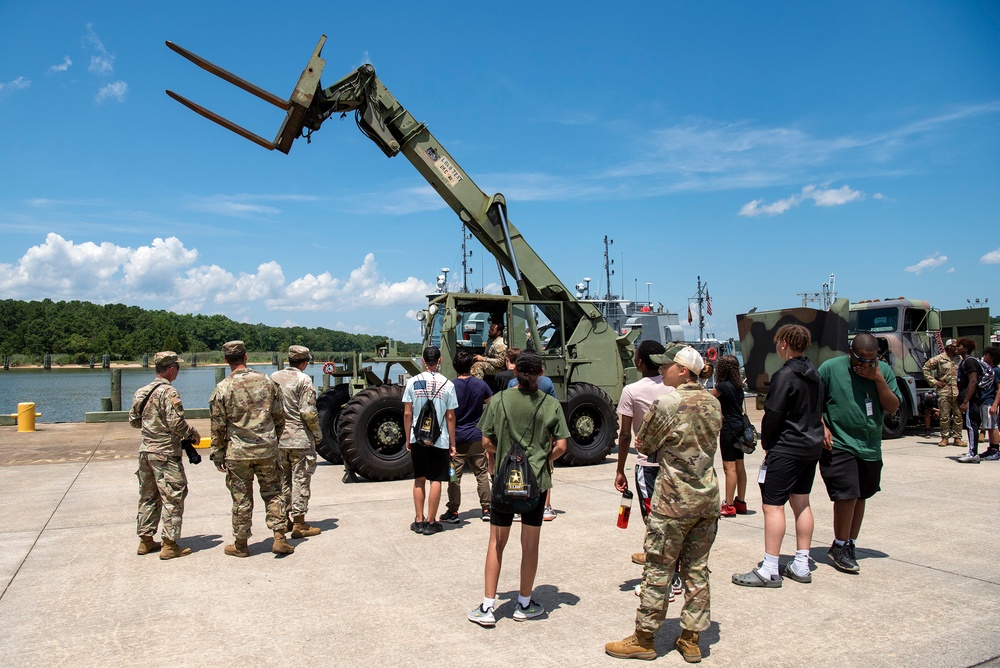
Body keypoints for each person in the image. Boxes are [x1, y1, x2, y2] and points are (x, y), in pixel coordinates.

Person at [605, 345, 720, 663]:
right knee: (697, 569)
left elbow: (646, 443)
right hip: (706, 497)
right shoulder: (712, 402)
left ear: (682, 370)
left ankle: (644, 639)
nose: (663, 370)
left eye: (668, 366)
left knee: (658, 568)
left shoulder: (666, 402)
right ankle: (691, 639)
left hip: (673, 500)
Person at [468, 351, 568, 627]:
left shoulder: (499, 400)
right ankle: (524, 603)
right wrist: (538, 460)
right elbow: (561, 446)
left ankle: (488, 607)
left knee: (496, 543)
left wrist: (505, 457)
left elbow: (486, 441)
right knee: (530, 545)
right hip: (535, 484)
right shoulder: (550, 404)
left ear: (515, 372)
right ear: (540, 374)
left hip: (503, 481)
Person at [732, 325, 824, 588]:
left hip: (787, 447)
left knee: (773, 506)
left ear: (784, 343)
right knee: (802, 502)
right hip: (810, 446)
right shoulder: (814, 373)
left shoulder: (784, 375)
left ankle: (770, 567)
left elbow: (773, 414)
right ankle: (802, 563)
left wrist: (768, 443)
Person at [818, 332, 901, 573]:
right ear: (850, 352)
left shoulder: (882, 371)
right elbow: (814, 402)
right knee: (847, 495)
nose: (866, 364)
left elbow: (893, 406)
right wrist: (821, 426)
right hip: (840, 443)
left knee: (862, 495)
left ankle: (849, 543)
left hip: (870, 444)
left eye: (871, 360)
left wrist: (878, 379)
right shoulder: (830, 368)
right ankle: (840, 544)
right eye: (861, 359)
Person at [614, 340, 683, 604]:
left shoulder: (631, 390)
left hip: (647, 465)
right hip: (674, 464)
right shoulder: (673, 387)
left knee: (654, 523)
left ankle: (665, 578)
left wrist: (620, 469)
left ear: (640, 361)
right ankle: (675, 572)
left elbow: (623, 435)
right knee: (673, 520)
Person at [209, 340, 290, 557]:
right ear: (246, 357)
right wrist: (275, 440)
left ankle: (241, 544)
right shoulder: (267, 381)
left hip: (238, 452)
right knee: (273, 492)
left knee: (241, 497)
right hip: (266, 449)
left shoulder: (223, 388)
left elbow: (217, 426)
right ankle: (280, 537)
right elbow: (279, 416)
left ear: (226, 360)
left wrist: (218, 454)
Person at [129, 351, 201, 560]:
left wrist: (152, 426)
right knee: (174, 496)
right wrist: (193, 434)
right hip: (165, 454)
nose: (178, 371)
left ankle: (145, 539)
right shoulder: (169, 392)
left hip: (146, 452)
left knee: (148, 496)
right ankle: (169, 544)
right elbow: (176, 423)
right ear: (170, 369)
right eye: (177, 367)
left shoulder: (142, 391)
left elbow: (134, 421)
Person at [402, 346, 458, 535]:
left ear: (423, 361)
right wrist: (452, 442)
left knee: (419, 479)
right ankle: (431, 521)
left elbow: (408, 412)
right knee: (436, 479)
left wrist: (408, 437)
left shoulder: (412, 382)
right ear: (440, 361)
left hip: (418, 437)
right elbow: (450, 417)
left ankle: (418, 520)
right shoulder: (447, 384)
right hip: (439, 439)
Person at [270, 345, 323, 538]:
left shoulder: (273, 378)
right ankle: (299, 522)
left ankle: (284, 519)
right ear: (305, 362)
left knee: (283, 481)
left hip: (278, 439)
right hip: (300, 438)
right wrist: (317, 434)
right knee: (300, 479)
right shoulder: (304, 380)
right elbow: (308, 412)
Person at [440, 349, 493, 524]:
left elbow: (448, 415)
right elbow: (490, 404)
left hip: (458, 437)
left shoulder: (450, 386)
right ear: (471, 366)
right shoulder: (481, 385)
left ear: (455, 366)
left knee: (454, 477)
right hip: (477, 435)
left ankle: (453, 511)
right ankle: (487, 508)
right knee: (482, 474)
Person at [711, 354, 748, 517]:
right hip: (740, 426)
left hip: (728, 428)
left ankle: (729, 504)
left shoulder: (723, 387)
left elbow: (708, 398)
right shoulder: (738, 386)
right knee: (740, 465)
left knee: (729, 468)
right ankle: (741, 501)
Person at [922, 339, 964, 447]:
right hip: (944, 391)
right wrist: (935, 382)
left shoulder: (960, 359)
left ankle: (957, 438)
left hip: (957, 391)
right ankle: (944, 438)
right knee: (944, 416)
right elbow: (926, 368)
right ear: (949, 347)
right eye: (955, 346)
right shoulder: (939, 359)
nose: (957, 348)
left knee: (958, 415)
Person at [955, 338, 983, 463]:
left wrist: (966, 401)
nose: (956, 348)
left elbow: (973, 381)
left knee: (972, 425)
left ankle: (973, 453)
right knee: (970, 425)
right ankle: (972, 451)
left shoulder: (970, 362)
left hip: (972, 399)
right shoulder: (964, 362)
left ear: (965, 348)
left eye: (959, 346)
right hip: (967, 398)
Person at [979, 347, 1000, 460]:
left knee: (993, 426)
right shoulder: (988, 370)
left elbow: (999, 389)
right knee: (988, 426)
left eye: (986, 355)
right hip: (984, 401)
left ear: (992, 357)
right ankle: (991, 448)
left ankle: (996, 450)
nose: (984, 357)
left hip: (990, 401)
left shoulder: (996, 371)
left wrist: (995, 405)